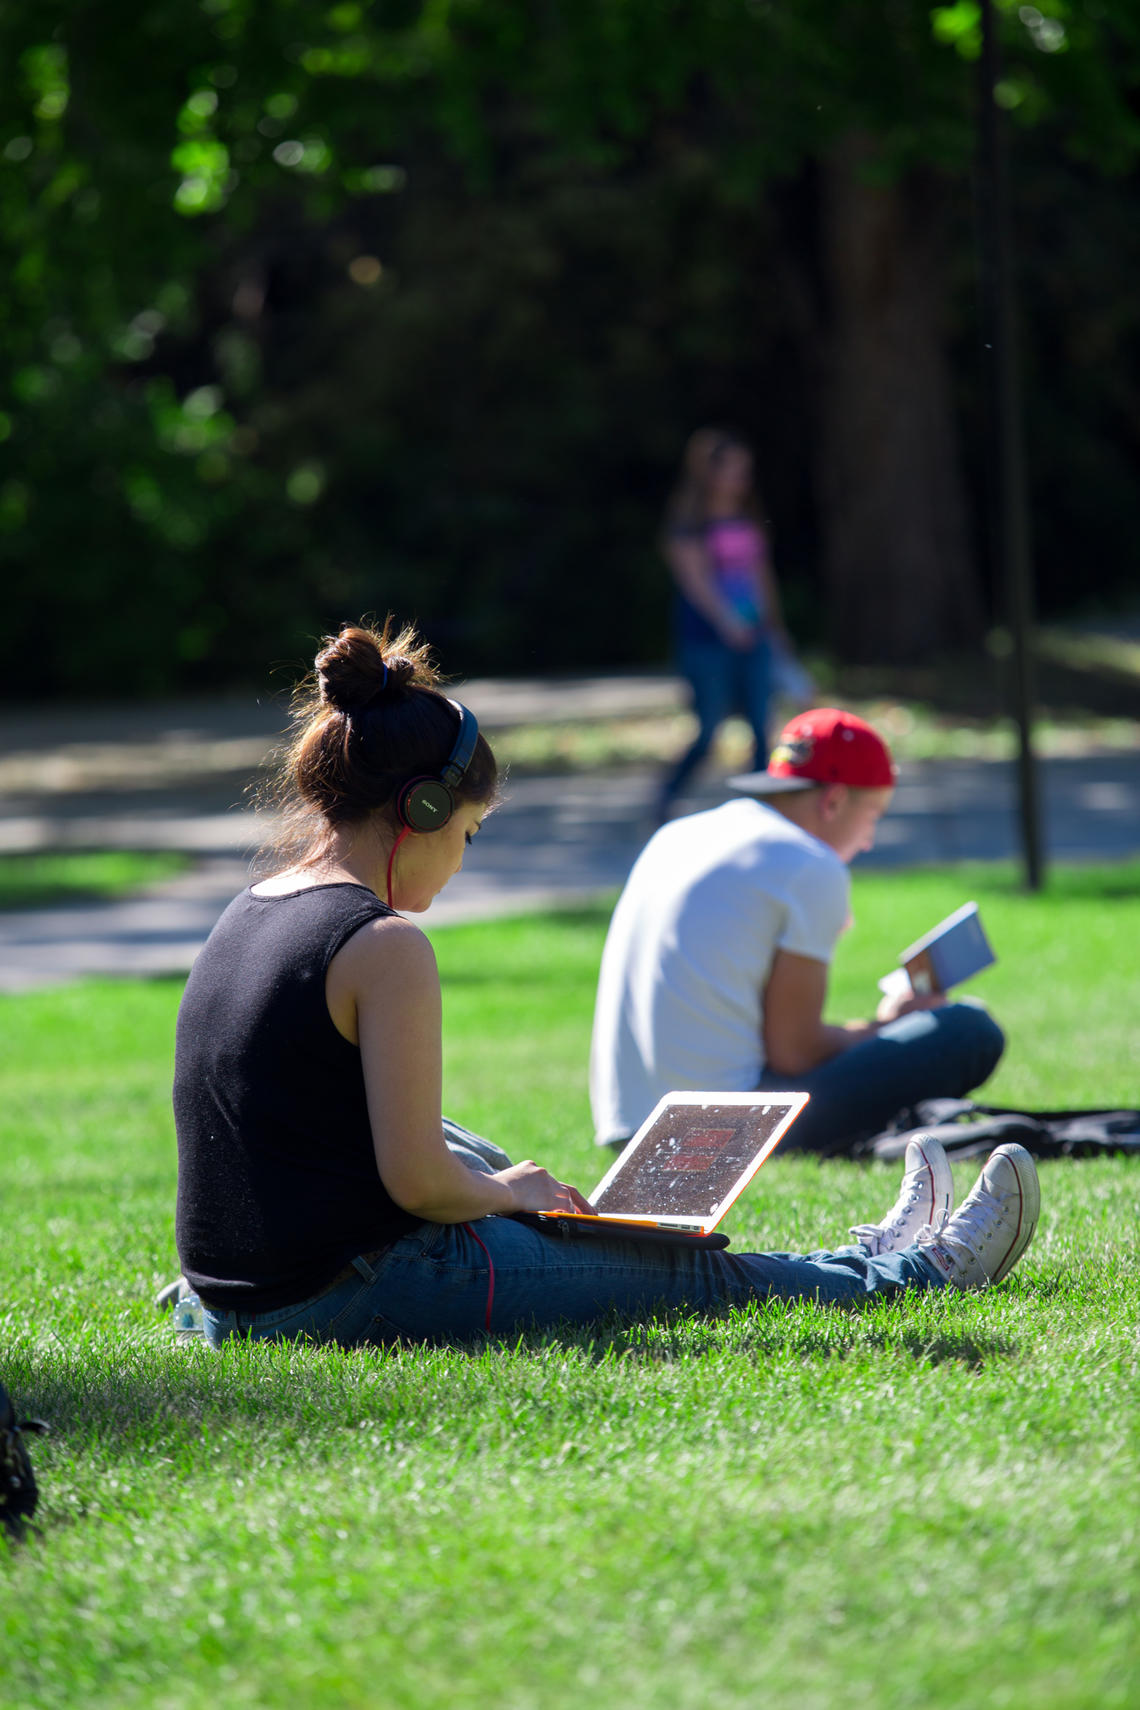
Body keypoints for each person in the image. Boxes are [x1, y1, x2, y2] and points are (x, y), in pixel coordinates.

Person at [172, 624, 1037, 1351]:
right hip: (344, 1293)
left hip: (237, 1297)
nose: (462, 859)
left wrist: (497, 1183)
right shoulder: (383, 944)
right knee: (682, 1268)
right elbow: (417, 1187)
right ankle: (914, 1273)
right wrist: (510, 1194)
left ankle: (865, 1260)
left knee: (465, 1146)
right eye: (468, 833)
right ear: (424, 811)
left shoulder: (252, 908)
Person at [591, 706, 1006, 1157]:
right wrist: (888, 1025)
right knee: (968, 1029)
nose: (868, 841)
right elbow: (795, 1052)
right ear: (833, 801)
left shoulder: (677, 834)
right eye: (873, 817)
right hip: (723, 1135)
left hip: (627, 1128)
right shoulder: (809, 863)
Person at [657, 428, 797, 820]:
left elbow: (760, 575)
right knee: (709, 728)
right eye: (734, 470)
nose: (742, 479)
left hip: (755, 635)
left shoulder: (746, 516)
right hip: (706, 640)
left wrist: (774, 626)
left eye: (745, 470)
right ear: (709, 473)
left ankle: (761, 810)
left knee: (760, 723)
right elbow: (696, 582)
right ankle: (666, 797)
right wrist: (728, 623)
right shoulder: (688, 524)